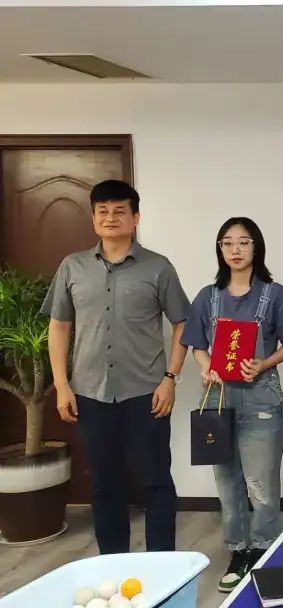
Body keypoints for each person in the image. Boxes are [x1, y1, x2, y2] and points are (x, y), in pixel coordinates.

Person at [41, 179, 190, 555]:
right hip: (90, 394)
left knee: (156, 480)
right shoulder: (72, 267)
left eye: (120, 211)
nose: (110, 218)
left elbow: (183, 323)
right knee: (105, 484)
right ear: (93, 218)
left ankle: (162, 565)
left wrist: (170, 378)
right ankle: (113, 563)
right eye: (103, 211)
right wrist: (61, 384)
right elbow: (59, 326)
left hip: (147, 393)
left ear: (135, 217)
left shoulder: (158, 267)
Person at [180, 217, 283, 592]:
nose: (235, 249)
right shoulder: (207, 296)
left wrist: (263, 363)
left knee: (261, 485)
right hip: (220, 400)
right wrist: (206, 367)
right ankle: (238, 551)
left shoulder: (274, 294)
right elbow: (197, 346)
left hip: (261, 399)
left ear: (256, 248)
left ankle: (263, 549)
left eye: (244, 242)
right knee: (228, 484)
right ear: (219, 249)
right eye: (227, 242)